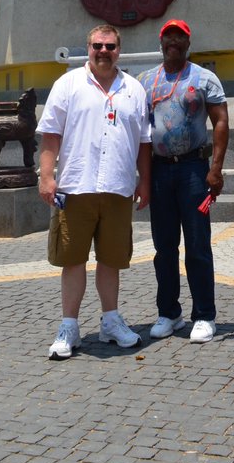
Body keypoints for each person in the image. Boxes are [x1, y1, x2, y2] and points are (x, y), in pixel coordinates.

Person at [37, 23, 151, 360]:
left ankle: (111, 321)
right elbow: (50, 135)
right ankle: (69, 326)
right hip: (75, 185)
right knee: (72, 259)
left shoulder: (134, 90)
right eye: (98, 46)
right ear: (88, 48)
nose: (104, 52)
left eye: (110, 46)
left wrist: (144, 180)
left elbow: (144, 141)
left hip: (117, 186)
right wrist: (46, 176)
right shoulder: (68, 84)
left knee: (111, 259)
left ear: (119, 50)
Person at [139, 19, 229, 344]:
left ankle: (204, 314)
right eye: (168, 37)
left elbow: (220, 122)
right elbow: (139, 133)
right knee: (164, 247)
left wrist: (215, 169)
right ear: (161, 42)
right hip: (160, 170)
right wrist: (142, 178)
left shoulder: (204, 78)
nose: (173, 42)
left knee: (198, 245)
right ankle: (169, 312)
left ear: (188, 43)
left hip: (193, 169)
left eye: (180, 37)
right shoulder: (146, 81)